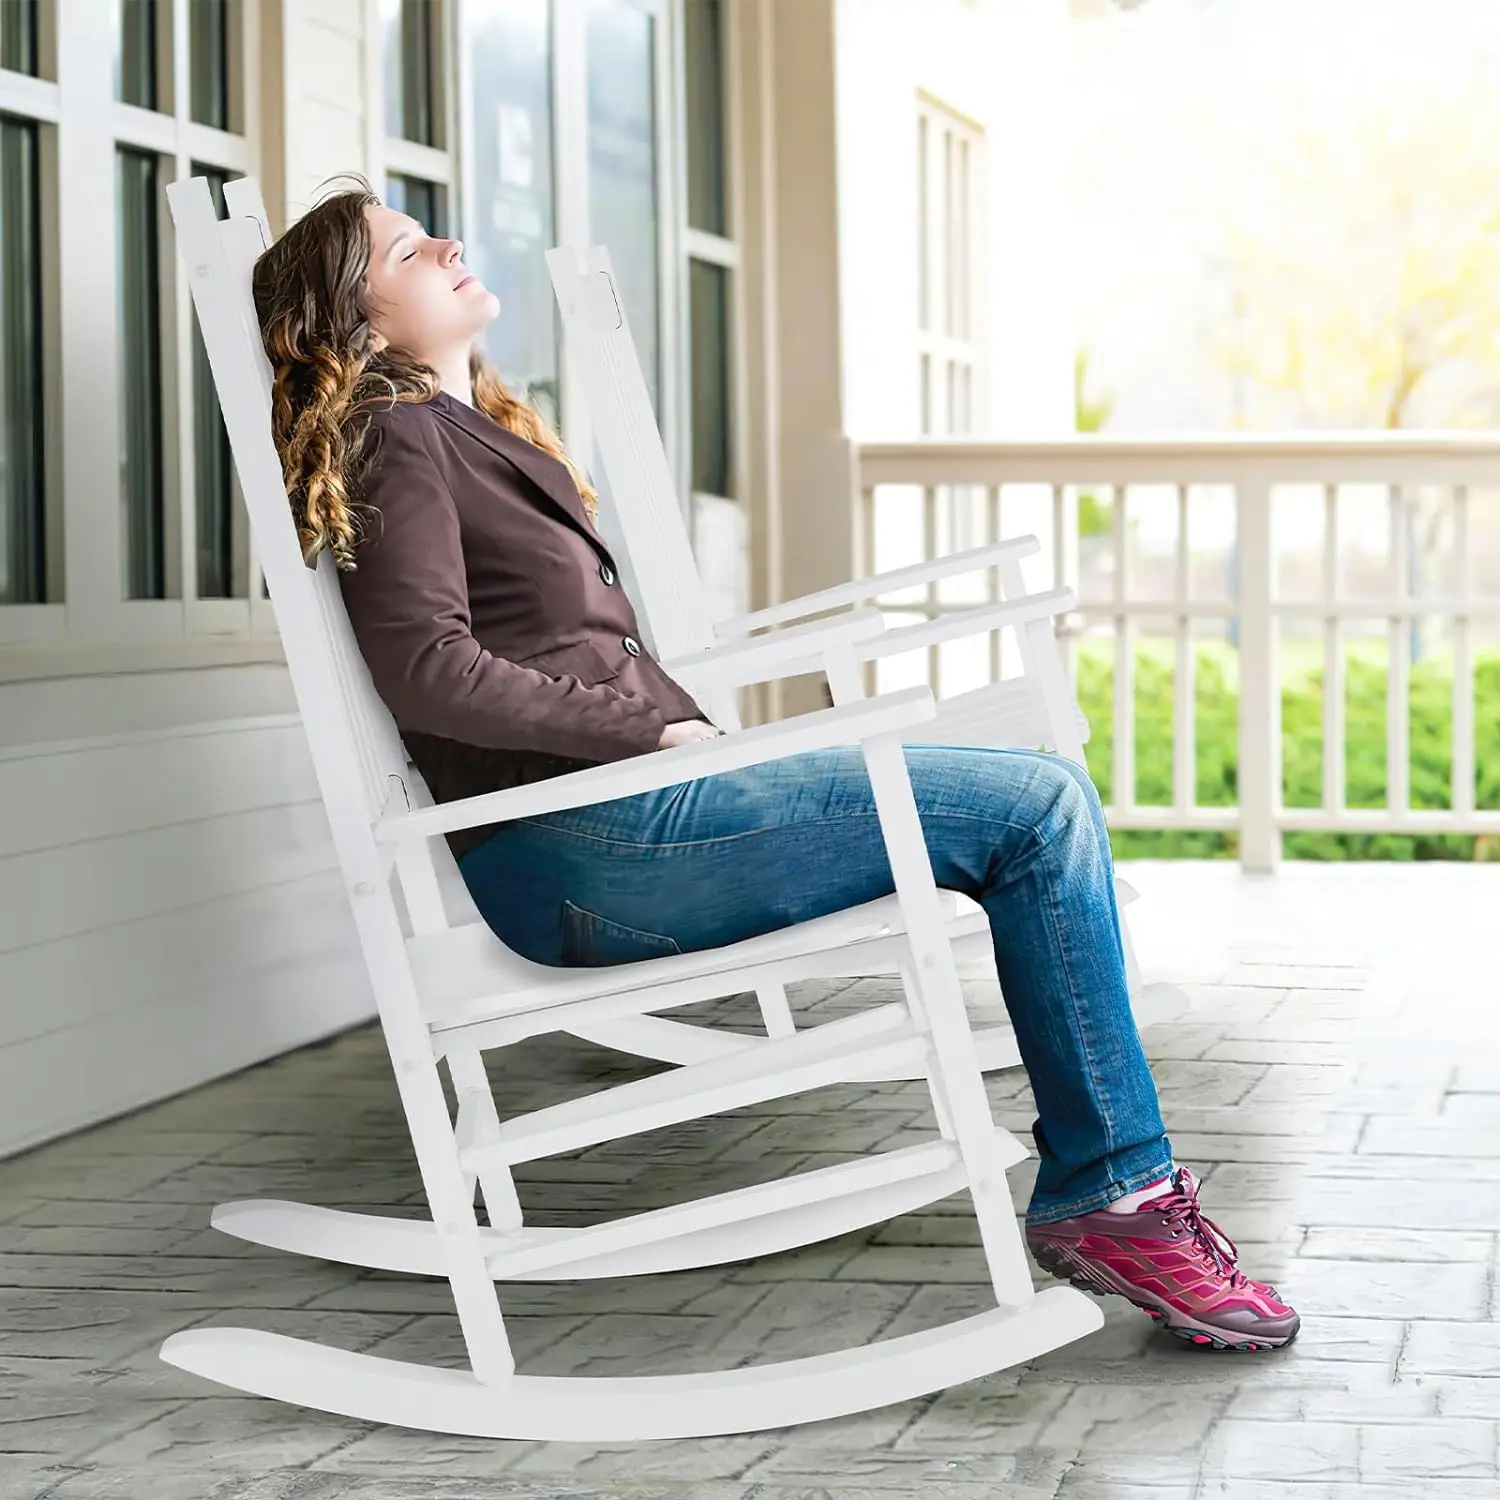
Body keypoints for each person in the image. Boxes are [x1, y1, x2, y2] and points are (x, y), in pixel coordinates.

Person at [251, 181, 1300, 1353]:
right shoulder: (397, 440)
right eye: (405, 247)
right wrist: (645, 735)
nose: (446, 242)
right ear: (360, 319)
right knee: (1036, 810)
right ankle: (1116, 1199)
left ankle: (1116, 1191)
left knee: (1027, 801)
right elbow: (431, 672)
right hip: (590, 848)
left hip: (631, 818)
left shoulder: (464, 431)